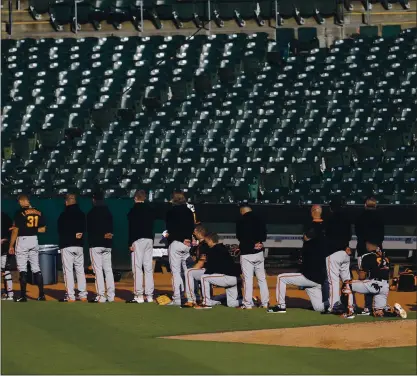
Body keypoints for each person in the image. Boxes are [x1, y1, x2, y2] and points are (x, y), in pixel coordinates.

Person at [267, 205, 328, 313]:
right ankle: (337, 302)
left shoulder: (313, 227)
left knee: (281, 278)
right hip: (319, 278)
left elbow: (307, 236)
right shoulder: (325, 229)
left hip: (309, 275)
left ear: (313, 212)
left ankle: (281, 306)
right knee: (319, 308)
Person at [341, 239, 407, 319]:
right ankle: (395, 312)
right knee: (378, 313)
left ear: (369, 245)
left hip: (374, 284)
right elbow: (391, 272)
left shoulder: (367, 256)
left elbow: (362, 277)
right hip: (385, 287)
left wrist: (357, 269)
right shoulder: (386, 258)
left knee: (347, 284)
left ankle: (349, 313)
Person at [8, 194, 46, 302]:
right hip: (34, 239)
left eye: (20, 201)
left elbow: (15, 230)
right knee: (36, 268)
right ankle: (42, 295)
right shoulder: (38, 212)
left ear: (22, 201)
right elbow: (43, 229)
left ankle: (23, 296)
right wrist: (31, 230)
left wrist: (11, 245)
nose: (19, 203)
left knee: (23, 268)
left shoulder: (19, 213)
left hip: (23, 240)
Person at [195, 232, 241, 309]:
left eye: (207, 242)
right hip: (236, 278)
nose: (207, 244)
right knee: (231, 303)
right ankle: (250, 300)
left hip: (228, 278)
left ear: (210, 240)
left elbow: (211, 269)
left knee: (204, 277)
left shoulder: (213, 250)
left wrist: (210, 279)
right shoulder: (222, 248)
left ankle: (206, 303)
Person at [355, 197, 384, 315]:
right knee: (377, 277)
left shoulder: (361, 217)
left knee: (364, 277)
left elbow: (358, 233)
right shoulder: (380, 217)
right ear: (376, 205)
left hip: (363, 250)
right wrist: (375, 246)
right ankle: (378, 306)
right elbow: (382, 235)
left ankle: (366, 307)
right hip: (377, 250)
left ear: (365, 205)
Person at [236, 204, 269, 309]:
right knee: (262, 279)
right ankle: (265, 303)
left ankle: (248, 304)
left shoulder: (241, 220)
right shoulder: (260, 218)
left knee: (248, 279)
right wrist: (258, 242)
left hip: (247, 253)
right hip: (259, 252)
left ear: (242, 211)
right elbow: (264, 235)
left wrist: (250, 244)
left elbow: (240, 236)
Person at [165, 191, 195, 306]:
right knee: (187, 272)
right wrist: (186, 238)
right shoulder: (188, 211)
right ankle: (191, 298)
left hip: (176, 243)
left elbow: (170, 228)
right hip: (187, 244)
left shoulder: (171, 212)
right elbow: (192, 227)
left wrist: (175, 237)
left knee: (176, 272)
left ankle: (177, 298)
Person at [57, 194, 88, 302]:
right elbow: (84, 229)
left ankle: (71, 295)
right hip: (79, 246)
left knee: (68, 271)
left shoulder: (63, 215)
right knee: (80, 270)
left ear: (66, 202)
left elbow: (60, 230)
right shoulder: (82, 214)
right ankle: (83, 295)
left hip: (67, 245)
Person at [126, 190, 155, 304]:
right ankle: (150, 295)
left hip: (137, 240)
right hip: (149, 239)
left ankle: (139, 295)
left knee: (137, 268)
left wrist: (130, 243)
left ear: (135, 198)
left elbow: (132, 228)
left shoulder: (133, 210)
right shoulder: (150, 209)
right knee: (148, 268)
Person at [87, 192, 115, 303]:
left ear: (94, 200)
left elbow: (90, 230)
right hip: (107, 245)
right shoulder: (108, 212)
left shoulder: (91, 213)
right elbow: (110, 230)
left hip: (96, 245)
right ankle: (111, 296)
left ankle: (101, 296)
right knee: (108, 270)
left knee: (98, 271)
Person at [325, 197, 352, 312]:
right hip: (345, 252)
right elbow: (349, 236)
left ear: (331, 208)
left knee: (333, 281)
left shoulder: (329, 219)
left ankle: (333, 306)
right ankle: (351, 304)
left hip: (334, 253)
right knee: (347, 280)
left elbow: (327, 237)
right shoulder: (346, 219)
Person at [183, 225, 210, 307]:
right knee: (190, 270)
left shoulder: (205, 244)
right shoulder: (200, 244)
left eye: (194, 232)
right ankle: (199, 297)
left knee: (189, 272)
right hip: (205, 269)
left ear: (199, 233)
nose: (193, 234)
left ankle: (191, 300)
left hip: (209, 269)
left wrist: (192, 270)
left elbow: (201, 263)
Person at [1, 211, 14, 300]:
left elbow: (12, 229)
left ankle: (9, 293)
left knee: (5, 270)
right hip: (5, 246)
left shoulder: (5, 217)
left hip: (4, 247)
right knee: (5, 270)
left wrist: (4, 239)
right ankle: (9, 293)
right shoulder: (6, 216)